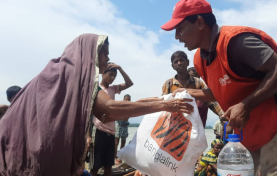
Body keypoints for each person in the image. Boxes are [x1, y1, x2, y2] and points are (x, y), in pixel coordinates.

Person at [0, 34, 194, 175]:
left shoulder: (61, 71)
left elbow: (116, 107)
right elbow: (109, 110)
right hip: (34, 151)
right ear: (90, 53)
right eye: (104, 54)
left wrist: (163, 100)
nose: (107, 59)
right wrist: (166, 106)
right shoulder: (75, 77)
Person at [162, 0, 277, 175]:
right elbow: (219, 92)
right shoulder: (200, 60)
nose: (177, 36)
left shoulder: (236, 42)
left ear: (200, 23)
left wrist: (245, 105)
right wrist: (189, 92)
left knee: (275, 171)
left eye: (180, 29)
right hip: (256, 112)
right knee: (250, 170)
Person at [90, 62, 133, 176]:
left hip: (111, 131)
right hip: (99, 130)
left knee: (108, 166)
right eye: (110, 74)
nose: (113, 78)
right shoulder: (96, 89)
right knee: (95, 166)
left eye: (115, 76)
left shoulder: (113, 89)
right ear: (103, 74)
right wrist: (88, 136)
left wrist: (120, 68)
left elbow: (129, 83)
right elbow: (89, 113)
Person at [162, 51, 224, 127]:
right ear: (173, 66)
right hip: (173, 124)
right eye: (176, 62)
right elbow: (163, 104)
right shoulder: (168, 84)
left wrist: (222, 115)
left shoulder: (197, 82)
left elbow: (210, 102)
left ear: (187, 62)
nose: (179, 63)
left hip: (192, 123)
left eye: (181, 60)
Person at [115, 94, 131, 165]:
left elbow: (127, 117)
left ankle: (120, 157)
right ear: (123, 99)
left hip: (125, 126)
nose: (127, 101)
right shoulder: (120, 106)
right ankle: (114, 157)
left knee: (123, 142)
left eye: (128, 99)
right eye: (126, 99)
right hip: (118, 125)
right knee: (116, 142)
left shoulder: (130, 107)